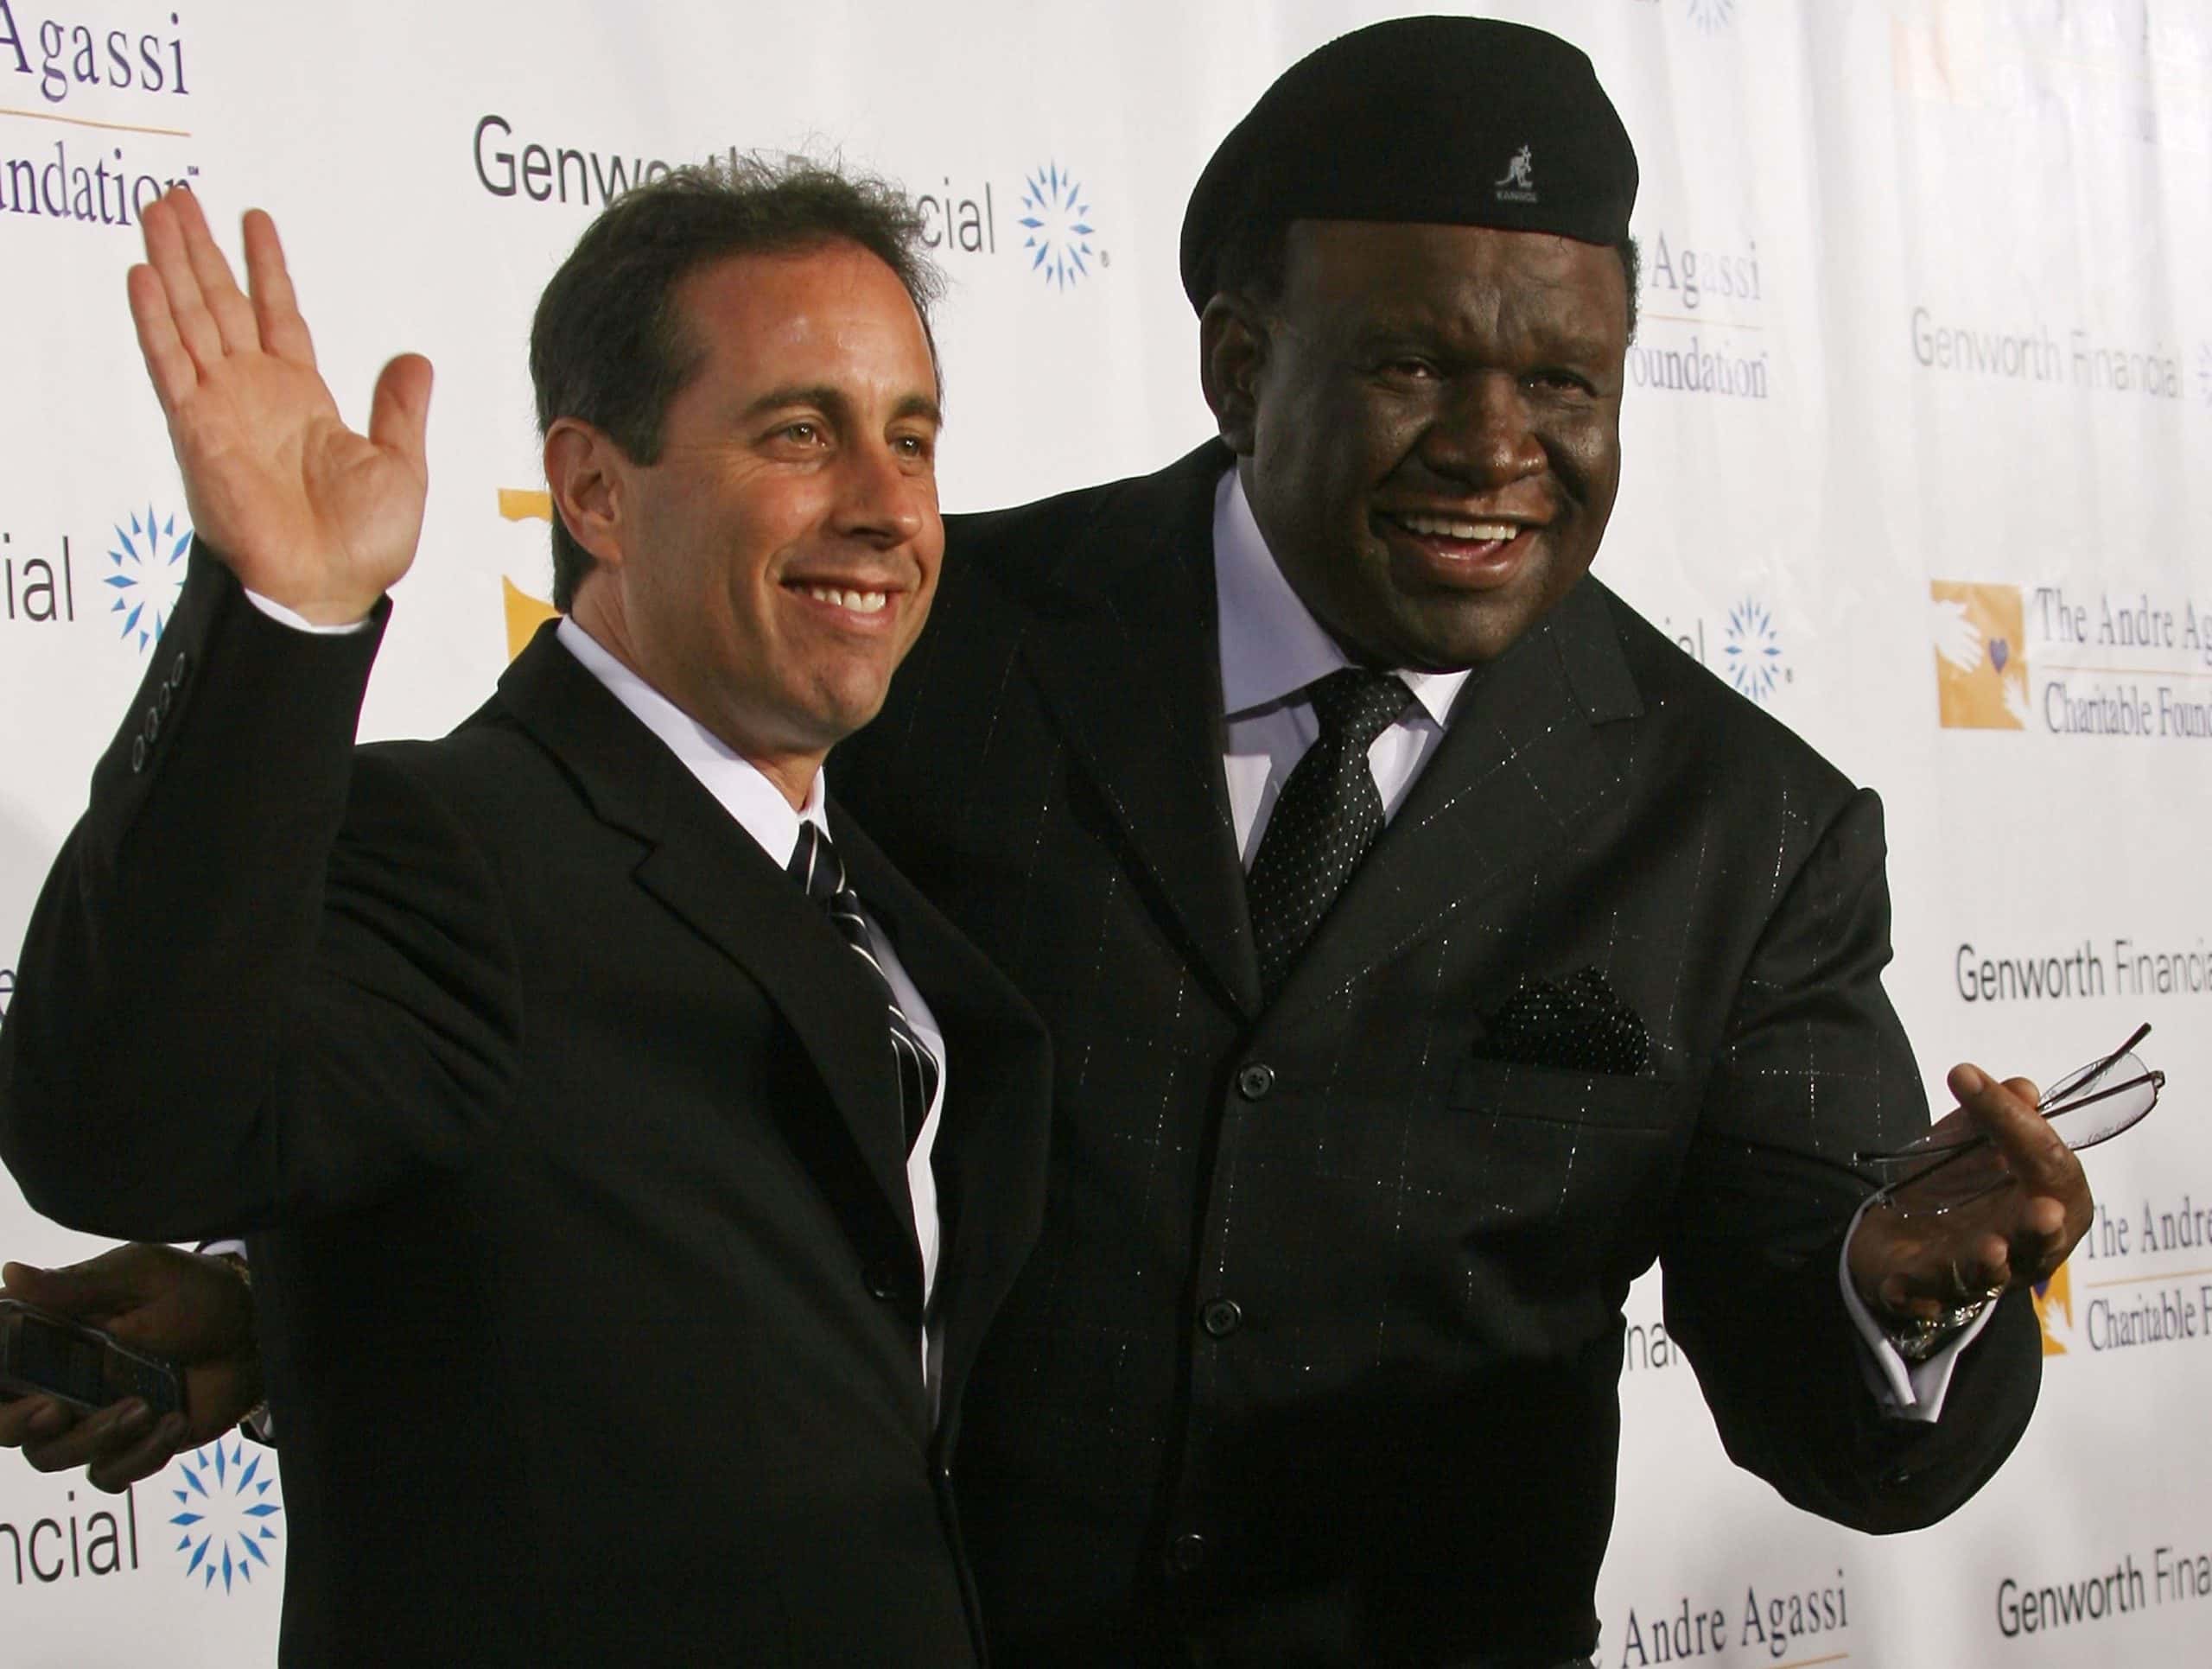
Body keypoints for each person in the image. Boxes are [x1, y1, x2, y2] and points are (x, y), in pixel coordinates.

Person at [4, 18, 2090, 1669]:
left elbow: (1840, 1402)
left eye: (1564, 379)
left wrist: (1894, 1294)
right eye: (1407, 367)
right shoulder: (908, 639)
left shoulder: (1740, 822)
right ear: (1235, 360)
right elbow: (631, 1033)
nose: (1493, 448)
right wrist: (349, 1289)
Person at [0, 160, 1050, 1667]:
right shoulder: (449, 844)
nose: (888, 506)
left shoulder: (888, 888)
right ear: (593, 489)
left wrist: (289, 1322)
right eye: (802, 433)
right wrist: (281, 617)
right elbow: (120, 1122)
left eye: (913, 439)